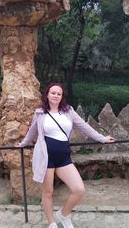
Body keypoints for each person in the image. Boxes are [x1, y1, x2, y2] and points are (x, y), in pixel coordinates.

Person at [17, 82, 116, 228]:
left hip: (64, 158)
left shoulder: (68, 111)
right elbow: (33, 131)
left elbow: (83, 126)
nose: (56, 95)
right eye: (53, 93)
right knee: (48, 192)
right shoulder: (40, 113)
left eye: (59, 93)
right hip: (46, 158)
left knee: (79, 189)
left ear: (61, 96)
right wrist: (23, 143)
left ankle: (63, 214)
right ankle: (51, 223)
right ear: (47, 95)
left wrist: (101, 138)